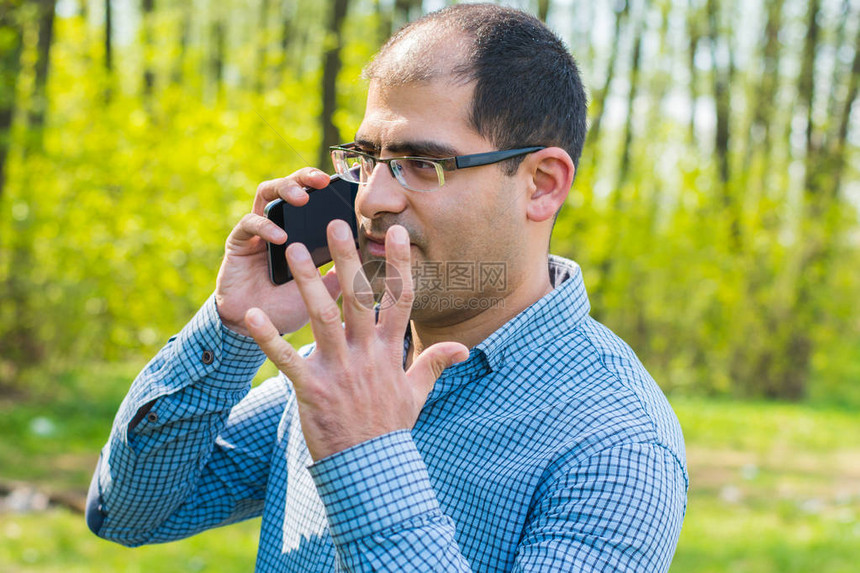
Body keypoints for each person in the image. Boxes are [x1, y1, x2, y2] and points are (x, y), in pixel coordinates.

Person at [86, 4, 688, 571]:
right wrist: (234, 328)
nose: (372, 198)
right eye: (367, 157)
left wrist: (366, 454)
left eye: (423, 164)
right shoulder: (345, 360)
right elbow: (130, 514)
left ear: (541, 184)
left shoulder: (618, 444)